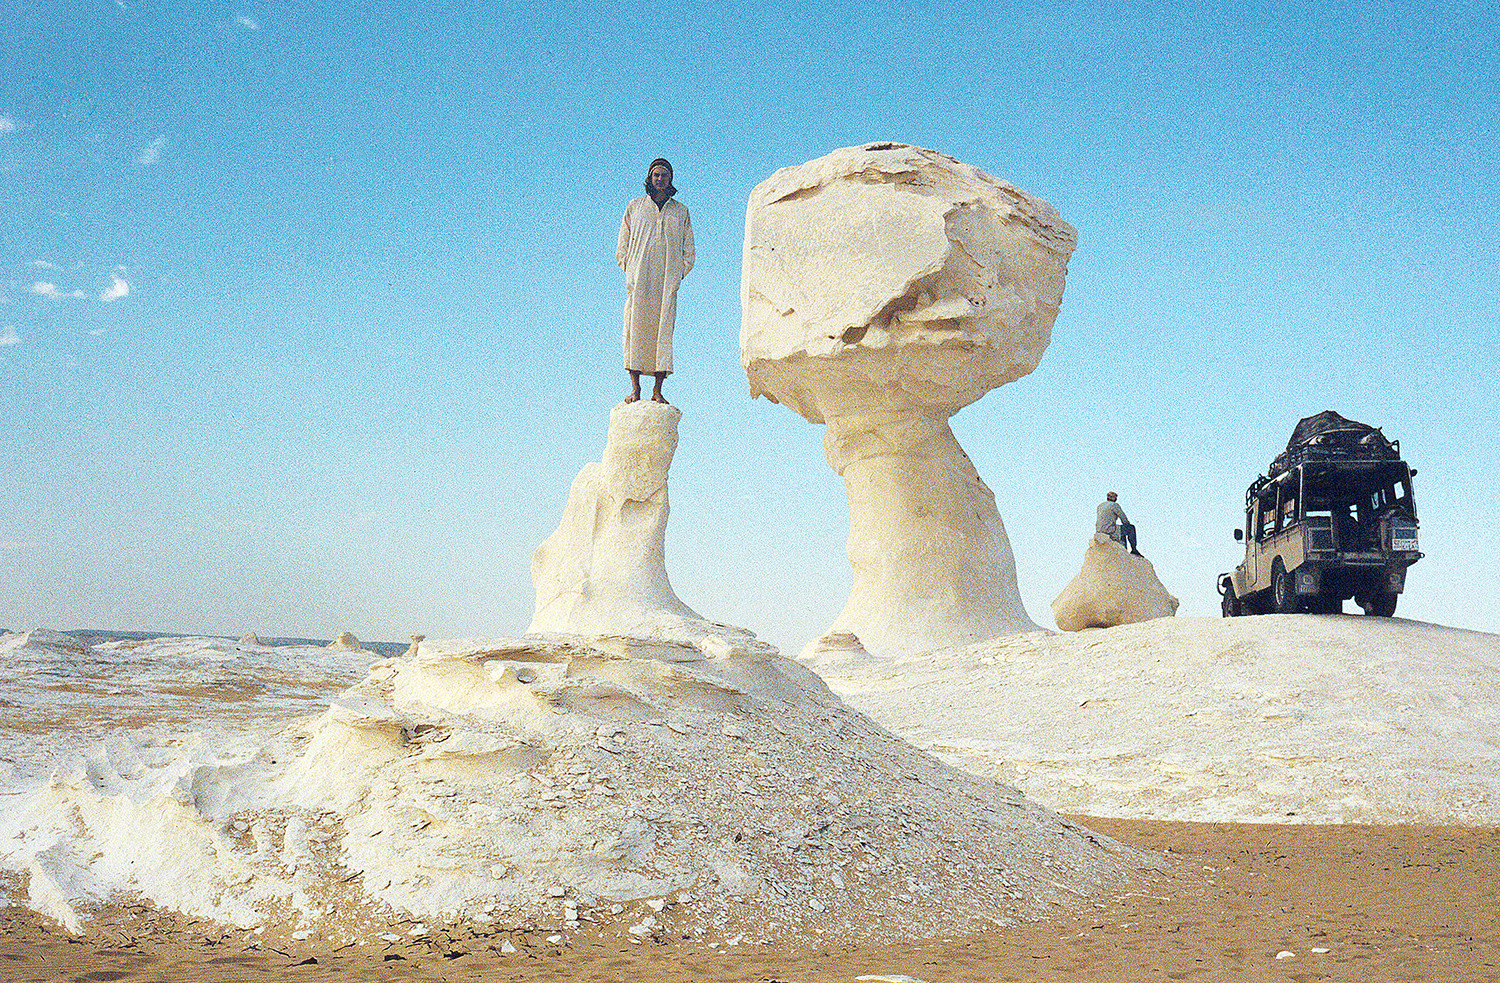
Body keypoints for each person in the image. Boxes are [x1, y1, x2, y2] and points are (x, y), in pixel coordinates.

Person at [617, 157, 694, 404]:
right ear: (650, 178)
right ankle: (636, 389)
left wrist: (676, 274)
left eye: (664, 175)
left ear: (670, 179)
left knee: (662, 334)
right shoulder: (635, 207)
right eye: (656, 175)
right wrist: (631, 271)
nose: (659, 179)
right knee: (635, 330)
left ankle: (657, 391)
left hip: (665, 284)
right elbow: (622, 246)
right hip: (639, 282)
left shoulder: (681, 211)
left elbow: (689, 251)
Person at [1096, 491, 1142, 556]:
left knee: (1122, 532)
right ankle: (1134, 549)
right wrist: (1127, 525)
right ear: (1114, 498)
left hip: (1099, 531)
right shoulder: (1114, 505)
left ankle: (1124, 550)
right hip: (1109, 530)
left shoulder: (1100, 506)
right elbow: (1123, 518)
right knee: (1131, 528)